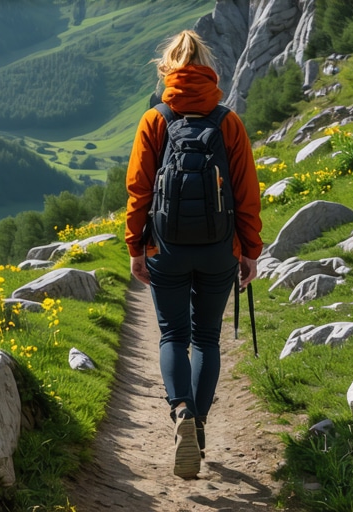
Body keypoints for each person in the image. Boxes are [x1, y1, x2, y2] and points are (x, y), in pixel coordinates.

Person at [125, 29, 263, 479]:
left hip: (165, 247)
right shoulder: (228, 122)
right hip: (220, 248)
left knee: (172, 336)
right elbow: (246, 195)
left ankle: (180, 411)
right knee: (206, 338)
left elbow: (138, 190)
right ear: (208, 69)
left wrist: (135, 247)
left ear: (167, 70)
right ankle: (199, 424)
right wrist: (249, 251)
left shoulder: (156, 119)